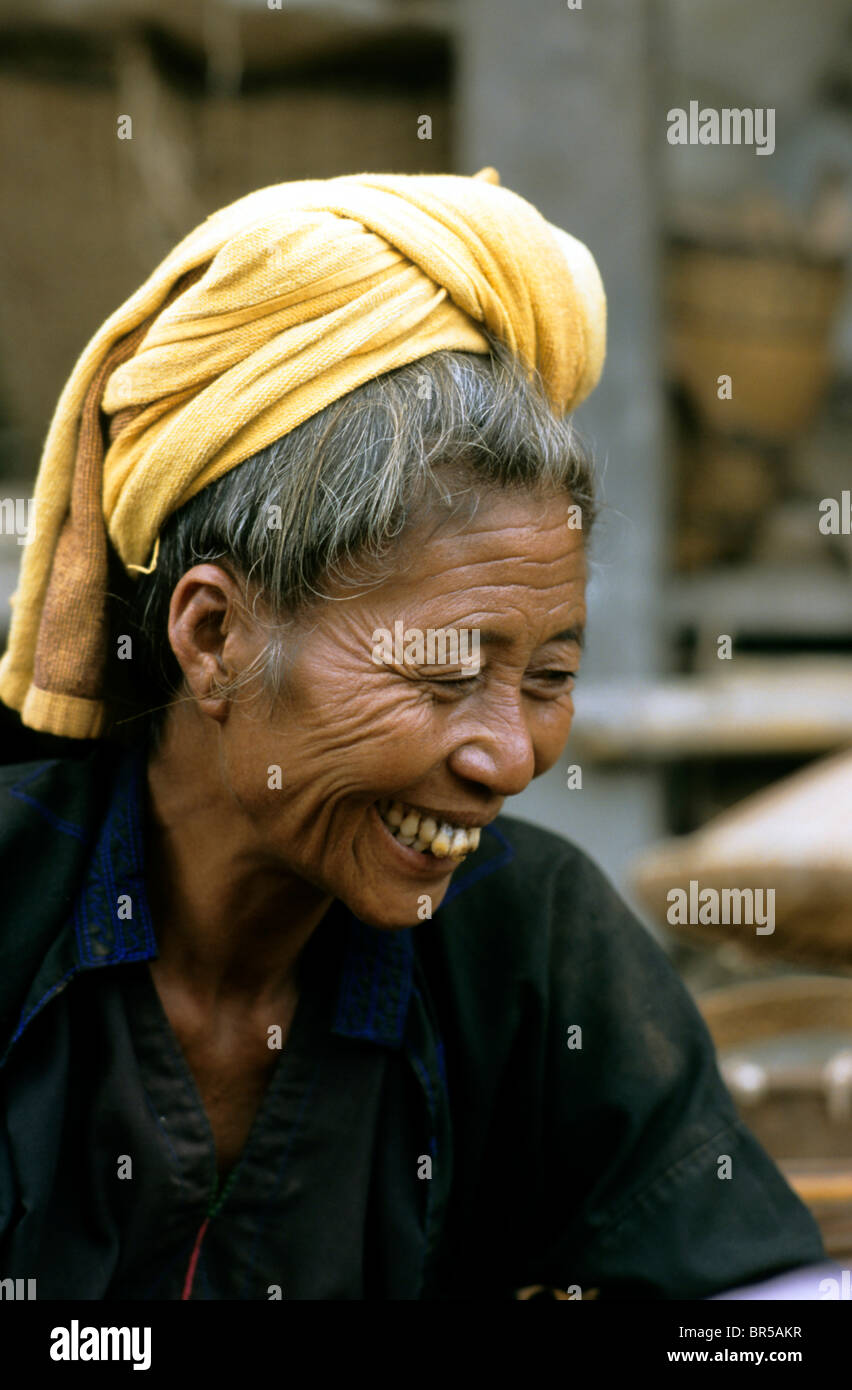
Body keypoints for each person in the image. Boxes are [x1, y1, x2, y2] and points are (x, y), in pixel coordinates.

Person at [0, 169, 825, 1300]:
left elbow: (760, 1310)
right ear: (214, 634)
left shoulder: (526, 943)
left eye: (550, 677)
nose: (512, 757)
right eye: (442, 675)